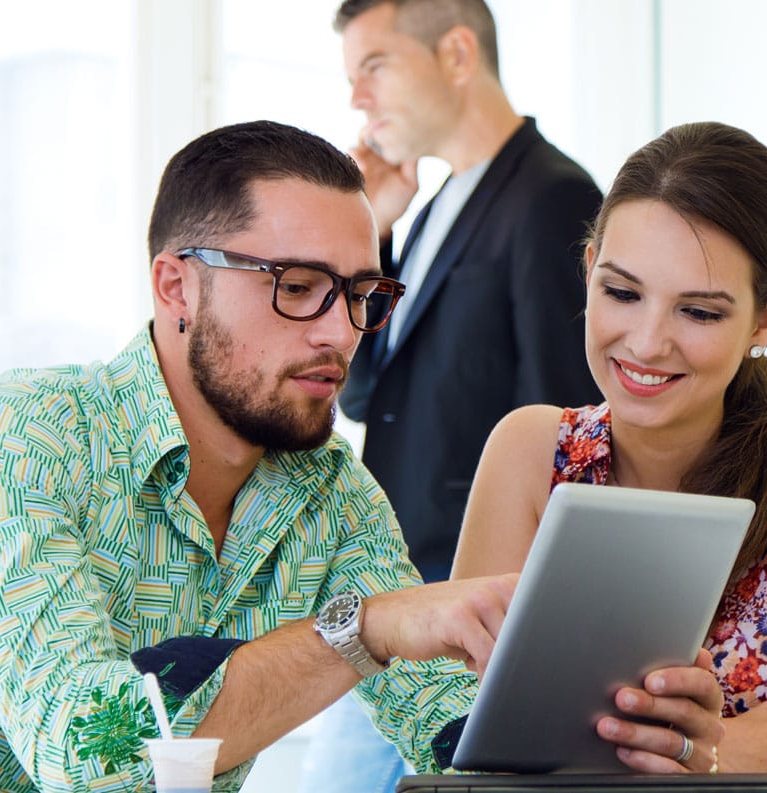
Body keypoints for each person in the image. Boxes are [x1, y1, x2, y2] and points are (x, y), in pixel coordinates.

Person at [0, 121, 724, 793]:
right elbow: (94, 751)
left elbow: (448, 730)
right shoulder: (10, 444)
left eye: (361, 293)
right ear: (176, 284)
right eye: (299, 286)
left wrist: (609, 728)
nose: (339, 332)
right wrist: (365, 628)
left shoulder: (331, 494)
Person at [452, 122, 767, 773]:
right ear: (588, 268)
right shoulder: (529, 450)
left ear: (765, 321)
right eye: (621, 292)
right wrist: (731, 749)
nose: (648, 342)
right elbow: (463, 738)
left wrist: (704, 752)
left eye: (699, 312)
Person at [306, 1, 605, 788]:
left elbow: (569, 423)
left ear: (458, 53)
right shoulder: (432, 206)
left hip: (470, 609)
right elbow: (365, 392)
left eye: (373, 68)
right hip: (394, 592)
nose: (358, 101)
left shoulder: (552, 197)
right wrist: (373, 235)